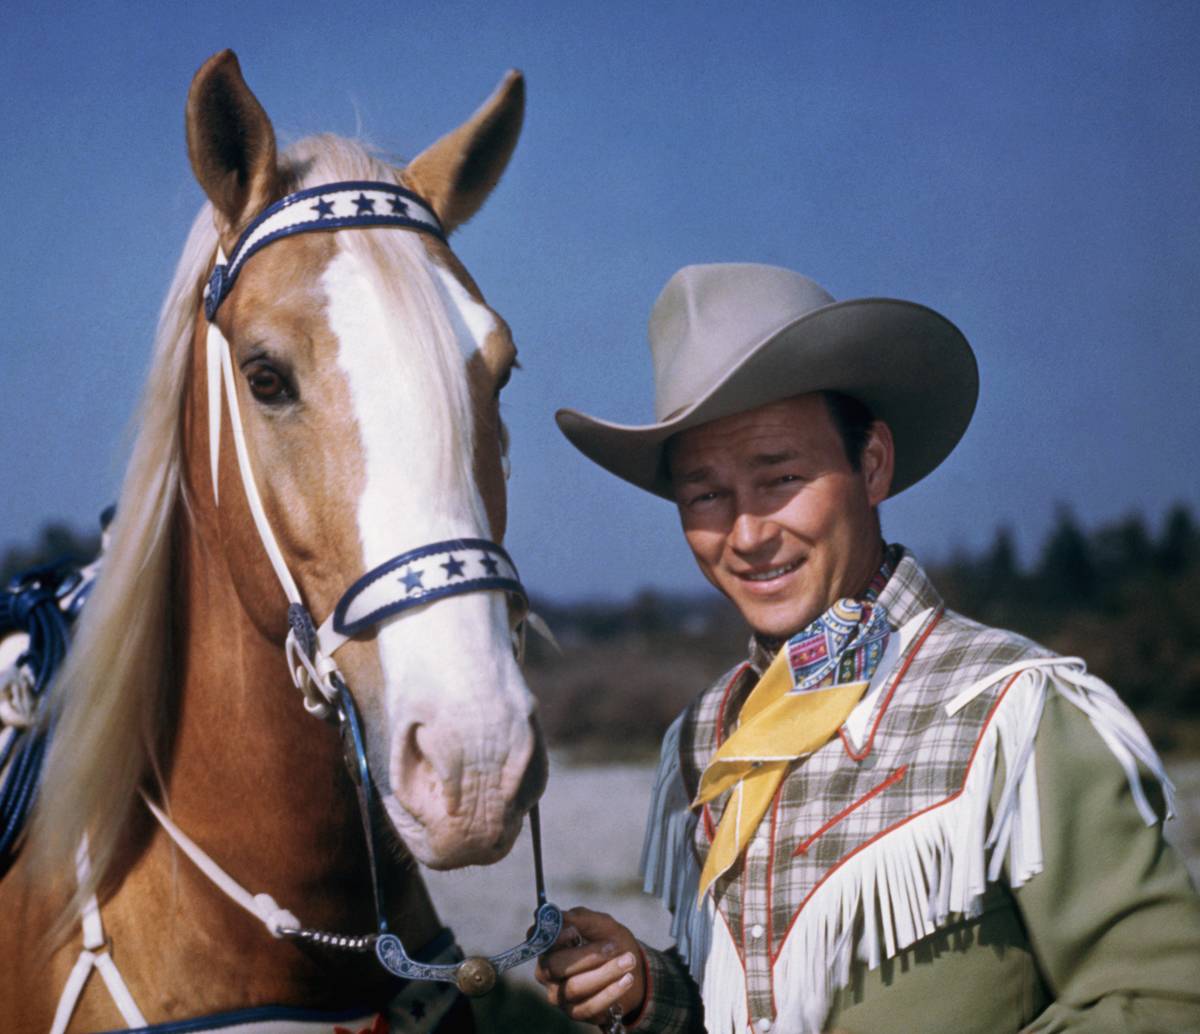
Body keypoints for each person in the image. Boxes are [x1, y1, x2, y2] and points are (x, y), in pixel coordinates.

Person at [535, 263, 1200, 1033]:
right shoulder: (706, 734)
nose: (747, 534)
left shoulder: (1010, 708)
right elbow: (763, 998)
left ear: (872, 464)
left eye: (780, 477)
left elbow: (1163, 998)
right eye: (706, 495)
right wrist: (657, 992)